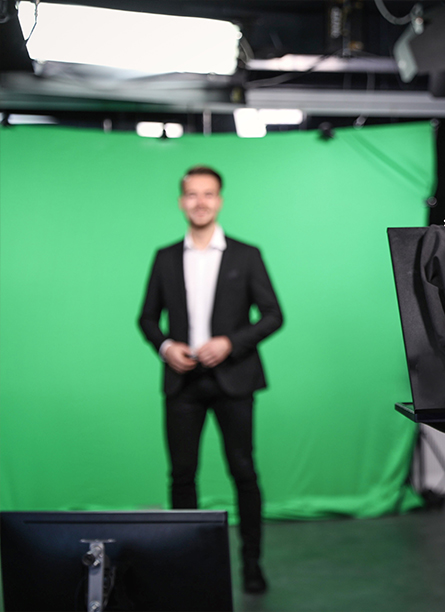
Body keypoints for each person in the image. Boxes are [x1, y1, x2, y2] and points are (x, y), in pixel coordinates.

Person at [139, 165, 283, 594]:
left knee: (244, 471)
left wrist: (230, 343)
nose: (200, 202)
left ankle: (252, 565)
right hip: (182, 382)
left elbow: (274, 314)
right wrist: (167, 347)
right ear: (181, 201)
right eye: (191, 195)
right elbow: (146, 318)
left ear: (219, 200)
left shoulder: (245, 254)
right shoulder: (165, 257)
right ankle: (184, 565)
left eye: (208, 194)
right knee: (182, 475)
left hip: (234, 379)